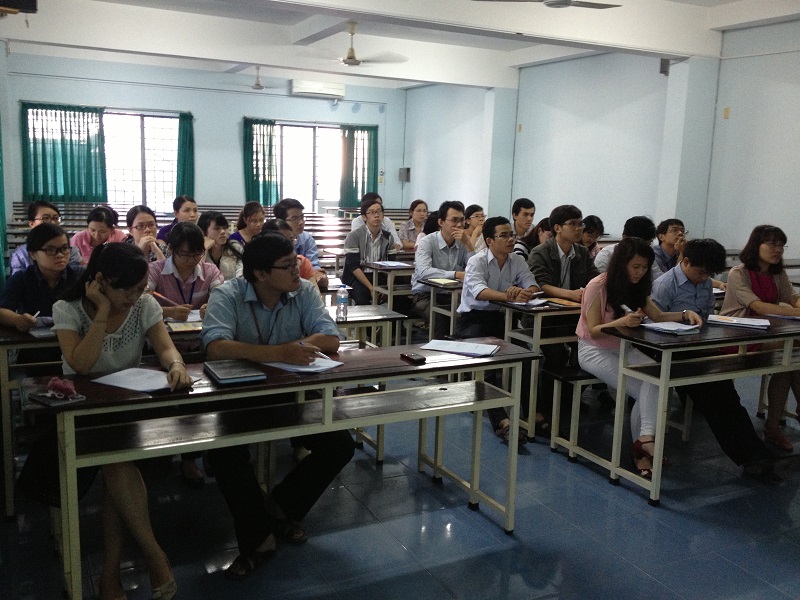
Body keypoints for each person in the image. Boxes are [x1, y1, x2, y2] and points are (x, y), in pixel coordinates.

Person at [200, 233, 354, 580]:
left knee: (340, 444)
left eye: (295, 261)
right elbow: (215, 346)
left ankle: (279, 507)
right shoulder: (228, 294)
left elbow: (330, 338)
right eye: (287, 266)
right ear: (260, 273)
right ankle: (260, 538)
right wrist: (277, 353)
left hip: (291, 392)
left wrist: (294, 348)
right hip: (239, 395)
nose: (297, 270)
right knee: (225, 453)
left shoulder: (304, 291)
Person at [53, 242, 191, 600]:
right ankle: (153, 555)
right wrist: (101, 311)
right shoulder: (67, 309)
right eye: (126, 290)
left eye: (140, 288)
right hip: (82, 412)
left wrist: (176, 364)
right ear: (100, 281)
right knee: (116, 458)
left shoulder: (144, 305)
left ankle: (110, 575)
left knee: (116, 463)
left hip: (129, 406)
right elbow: (81, 364)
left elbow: (164, 346)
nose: (134, 298)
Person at [650, 238, 778, 482]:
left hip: (699, 350)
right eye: (701, 272)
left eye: (709, 274)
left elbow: (707, 316)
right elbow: (650, 324)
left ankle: (756, 455)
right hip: (671, 354)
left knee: (730, 398)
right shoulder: (665, 284)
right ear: (686, 261)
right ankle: (751, 457)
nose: (704, 278)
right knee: (715, 402)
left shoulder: (705, 283)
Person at [576, 237, 702, 479]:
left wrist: (685, 314)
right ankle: (643, 448)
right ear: (621, 264)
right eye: (635, 266)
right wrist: (622, 321)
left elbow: (659, 316)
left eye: (644, 267)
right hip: (593, 349)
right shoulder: (597, 285)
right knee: (645, 385)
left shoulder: (637, 285)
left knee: (655, 374)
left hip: (622, 348)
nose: (640, 272)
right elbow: (593, 330)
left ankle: (643, 441)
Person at [456, 216, 540, 444]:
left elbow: (532, 283)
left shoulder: (517, 260)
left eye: (511, 235)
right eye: (504, 236)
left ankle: (531, 413)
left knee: (527, 356)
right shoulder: (477, 261)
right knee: (489, 361)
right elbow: (479, 291)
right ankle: (502, 421)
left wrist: (526, 292)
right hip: (474, 319)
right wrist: (508, 295)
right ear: (490, 241)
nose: (511, 239)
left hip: (503, 318)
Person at [720, 225, 800, 452]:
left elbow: (793, 298)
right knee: (793, 350)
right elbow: (758, 306)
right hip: (737, 335)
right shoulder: (738, 273)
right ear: (756, 245)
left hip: (766, 332)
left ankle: (773, 426)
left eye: (781, 245)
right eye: (772, 244)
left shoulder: (777, 274)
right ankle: (776, 424)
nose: (777, 249)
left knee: (789, 361)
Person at [527, 205, 600, 433]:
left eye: (581, 224)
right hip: (544, 317)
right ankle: (548, 405)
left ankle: (568, 398)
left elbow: (595, 279)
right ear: (557, 228)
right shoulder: (540, 252)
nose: (579, 229)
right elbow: (541, 284)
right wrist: (571, 294)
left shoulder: (581, 253)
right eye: (573, 224)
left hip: (571, 316)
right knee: (556, 352)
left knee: (589, 349)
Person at [0, 223, 84, 332]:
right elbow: (2, 311)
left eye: (64, 248)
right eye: (50, 249)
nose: (60, 255)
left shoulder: (80, 276)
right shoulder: (22, 278)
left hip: (74, 336)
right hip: (33, 338)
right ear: (33, 254)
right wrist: (17, 319)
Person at [411, 201, 473, 338]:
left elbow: (475, 270)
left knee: (470, 316)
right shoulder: (427, 242)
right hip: (424, 295)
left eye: (462, 220)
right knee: (440, 319)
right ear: (441, 222)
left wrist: (469, 245)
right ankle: (436, 350)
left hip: (451, 294)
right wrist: (456, 274)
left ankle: (460, 349)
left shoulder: (463, 243)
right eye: (454, 220)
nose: (459, 225)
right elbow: (424, 272)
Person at [148, 222, 225, 321]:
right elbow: (142, 305)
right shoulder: (155, 270)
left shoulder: (210, 271)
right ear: (171, 249)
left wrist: (212, 308)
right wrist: (169, 312)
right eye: (186, 255)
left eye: (197, 254)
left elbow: (222, 299)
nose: (192, 260)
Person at [342, 196, 396, 305]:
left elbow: (392, 264)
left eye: (379, 212)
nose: (376, 215)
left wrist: (388, 286)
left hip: (380, 276)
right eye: (371, 212)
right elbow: (354, 267)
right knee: (362, 297)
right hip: (357, 276)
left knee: (400, 299)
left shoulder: (388, 237)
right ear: (364, 217)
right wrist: (371, 288)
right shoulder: (354, 236)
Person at [10, 200, 82, 275]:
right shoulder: (20, 255)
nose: (52, 222)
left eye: (56, 218)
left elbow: (74, 277)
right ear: (31, 224)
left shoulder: (71, 251)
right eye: (45, 218)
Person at [273, 198, 328, 289]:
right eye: (294, 219)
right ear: (281, 221)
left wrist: (319, 276)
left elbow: (313, 265)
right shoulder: (272, 240)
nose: (301, 222)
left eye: (302, 217)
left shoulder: (307, 239)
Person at [594, 215, 659, 282]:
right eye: (636, 267)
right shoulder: (606, 256)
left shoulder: (646, 255)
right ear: (624, 238)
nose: (640, 272)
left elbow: (658, 279)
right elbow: (599, 283)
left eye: (648, 245)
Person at [261, 219, 317, 285]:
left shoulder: (302, 262)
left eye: (291, 240)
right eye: (283, 241)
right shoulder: (261, 267)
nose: (289, 245)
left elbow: (313, 289)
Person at [198, 211, 243, 280]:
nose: (223, 232)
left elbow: (241, 276)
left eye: (225, 228)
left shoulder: (236, 248)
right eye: (217, 228)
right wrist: (204, 249)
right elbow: (197, 275)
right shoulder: (196, 251)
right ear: (204, 231)